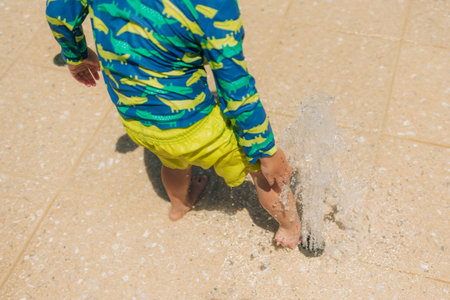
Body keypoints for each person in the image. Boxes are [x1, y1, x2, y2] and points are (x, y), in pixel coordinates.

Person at [46, 0, 301, 248]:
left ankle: (179, 205)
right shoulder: (212, 6)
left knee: (171, 159)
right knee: (263, 173)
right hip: (193, 126)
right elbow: (235, 89)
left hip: (134, 117)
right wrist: (266, 150)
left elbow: (58, 10)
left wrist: (75, 55)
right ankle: (290, 227)